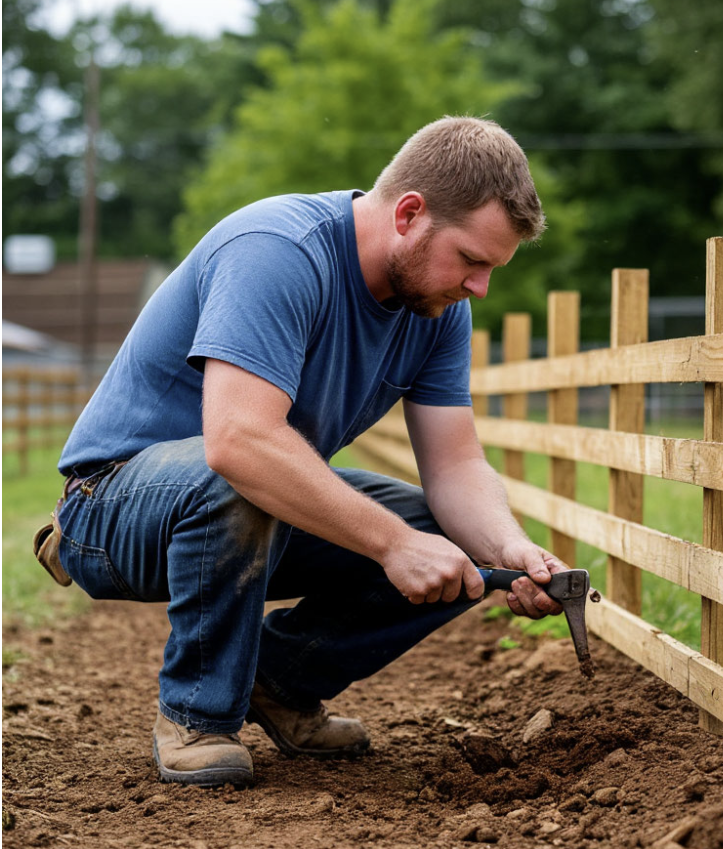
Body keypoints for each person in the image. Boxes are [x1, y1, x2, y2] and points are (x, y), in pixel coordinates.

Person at [34, 116, 568, 788]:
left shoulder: (436, 312)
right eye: (472, 260)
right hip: (108, 508)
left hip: (245, 504)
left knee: (446, 537)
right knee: (242, 474)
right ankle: (197, 714)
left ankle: (278, 682)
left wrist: (506, 547)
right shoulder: (279, 249)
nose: (480, 286)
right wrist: (389, 544)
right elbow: (239, 440)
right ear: (409, 213)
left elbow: (456, 465)